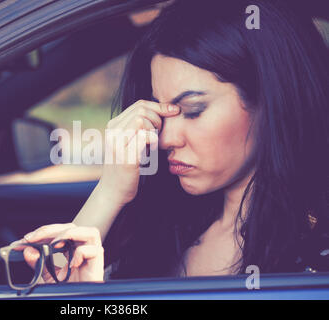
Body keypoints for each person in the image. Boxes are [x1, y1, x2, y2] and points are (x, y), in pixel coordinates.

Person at [20, 0, 329, 283]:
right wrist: (109, 192)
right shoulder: (166, 226)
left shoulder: (316, 252)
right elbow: (60, 287)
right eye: (160, 113)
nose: (165, 138)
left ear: (271, 101)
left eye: (193, 111)